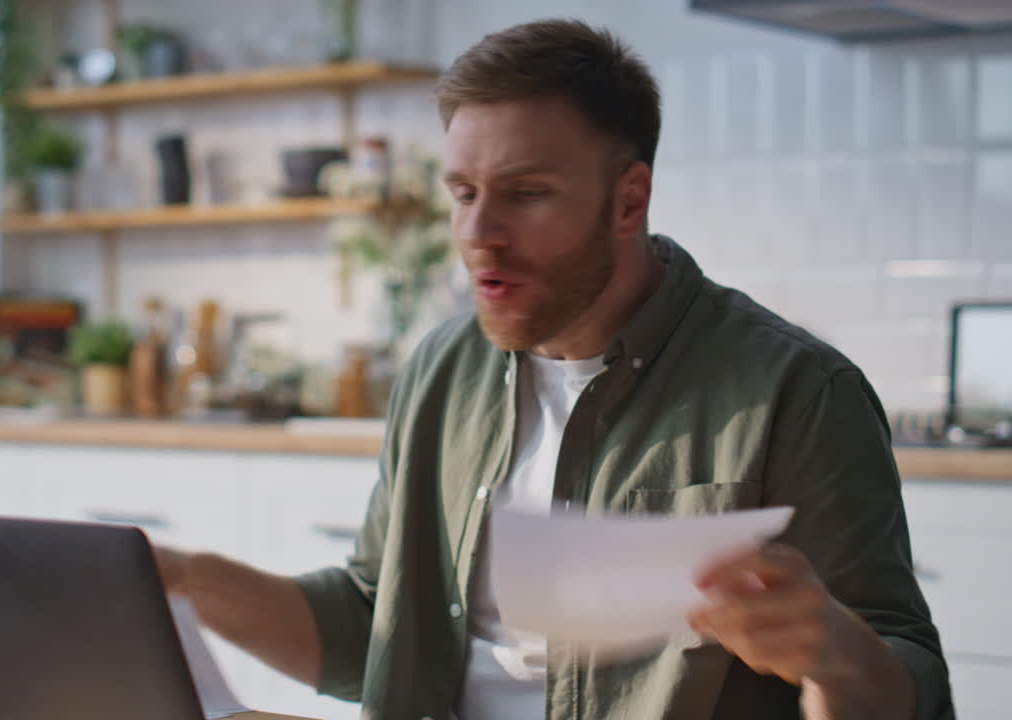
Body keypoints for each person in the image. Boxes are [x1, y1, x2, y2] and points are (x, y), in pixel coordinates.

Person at [155, 18, 952, 720]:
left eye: (525, 194)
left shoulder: (798, 392)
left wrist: (838, 655)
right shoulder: (442, 368)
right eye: (462, 192)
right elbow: (378, 626)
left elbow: (910, 682)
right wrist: (183, 580)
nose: (478, 232)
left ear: (628, 201)